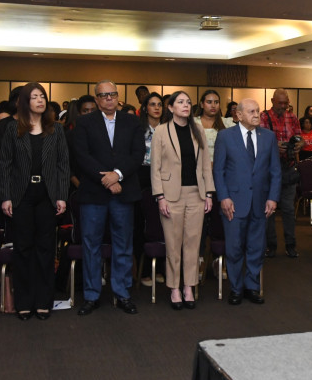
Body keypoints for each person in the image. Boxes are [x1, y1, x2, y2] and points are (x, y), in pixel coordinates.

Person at [0, 83, 70, 320]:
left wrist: (61, 195)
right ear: (24, 102)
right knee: (23, 248)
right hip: (21, 194)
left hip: (47, 195)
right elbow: (5, 165)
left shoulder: (55, 130)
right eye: (34, 97)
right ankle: (24, 301)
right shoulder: (12, 129)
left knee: (46, 249)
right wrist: (6, 196)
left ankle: (43, 300)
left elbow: (62, 165)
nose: (40, 100)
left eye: (43, 97)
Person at [73, 80, 144, 316]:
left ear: (118, 96)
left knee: (123, 244)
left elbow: (137, 154)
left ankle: (122, 293)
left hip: (123, 192)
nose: (109, 98)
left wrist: (118, 175)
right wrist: (105, 179)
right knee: (91, 245)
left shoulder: (132, 121)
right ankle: (92, 295)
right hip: (94, 193)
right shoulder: (84, 123)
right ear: (96, 99)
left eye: (112, 94)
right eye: (103, 95)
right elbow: (81, 156)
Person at [151, 91, 215, 310]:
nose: (185, 105)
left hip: (196, 193)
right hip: (170, 195)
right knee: (173, 243)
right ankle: (174, 288)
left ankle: (189, 286)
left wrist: (208, 193)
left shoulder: (197, 130)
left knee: (192, 243)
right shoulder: (161, 131)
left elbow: (206, 164)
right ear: (171, 108)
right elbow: (155, 167)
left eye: (188, 102)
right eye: (180, 102)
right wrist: (160, 196)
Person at [213, 99, 281, 305]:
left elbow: (275, 171)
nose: (256, 114)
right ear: (239, 115)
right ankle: (235, 288)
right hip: (233, 202)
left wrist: (273, 198)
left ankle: (251, 286)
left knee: (256, 248)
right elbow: (218, 170)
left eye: (258, 111)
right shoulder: (225, 137)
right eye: (251, 111)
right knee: (234, 248)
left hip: (261, 202)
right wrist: (223, 197)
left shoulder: (268, 137)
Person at [260, 88, 303, 258]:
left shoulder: (292, 117)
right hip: (269, 169)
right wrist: (273, 146)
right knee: (269, 210)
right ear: (272, 101)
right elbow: (258, 141)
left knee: (288, 209)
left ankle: (290, 245)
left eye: (286, 103)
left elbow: (300, 137)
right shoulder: (264, 117)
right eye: (280, 103)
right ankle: (271, 245)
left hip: (288, 166)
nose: (283, 106)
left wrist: (299, 144)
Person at [136, 92, 164, 287]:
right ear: (145, 107)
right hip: (141, 176)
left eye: (160, 104)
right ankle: (144, 271)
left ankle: (161, 267)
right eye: (152, 104)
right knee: (141, 225)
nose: (156, 108)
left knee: (162, 224)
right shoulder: (137, 129)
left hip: (163, 178)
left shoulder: (168, 129)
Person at [194, 89, 234, 161]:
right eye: (209, 102)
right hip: (198, 165)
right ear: (202, 104)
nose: (213, 105)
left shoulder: (227, 123)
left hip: (221, 166)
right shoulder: (194, 123)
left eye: (216, 102)